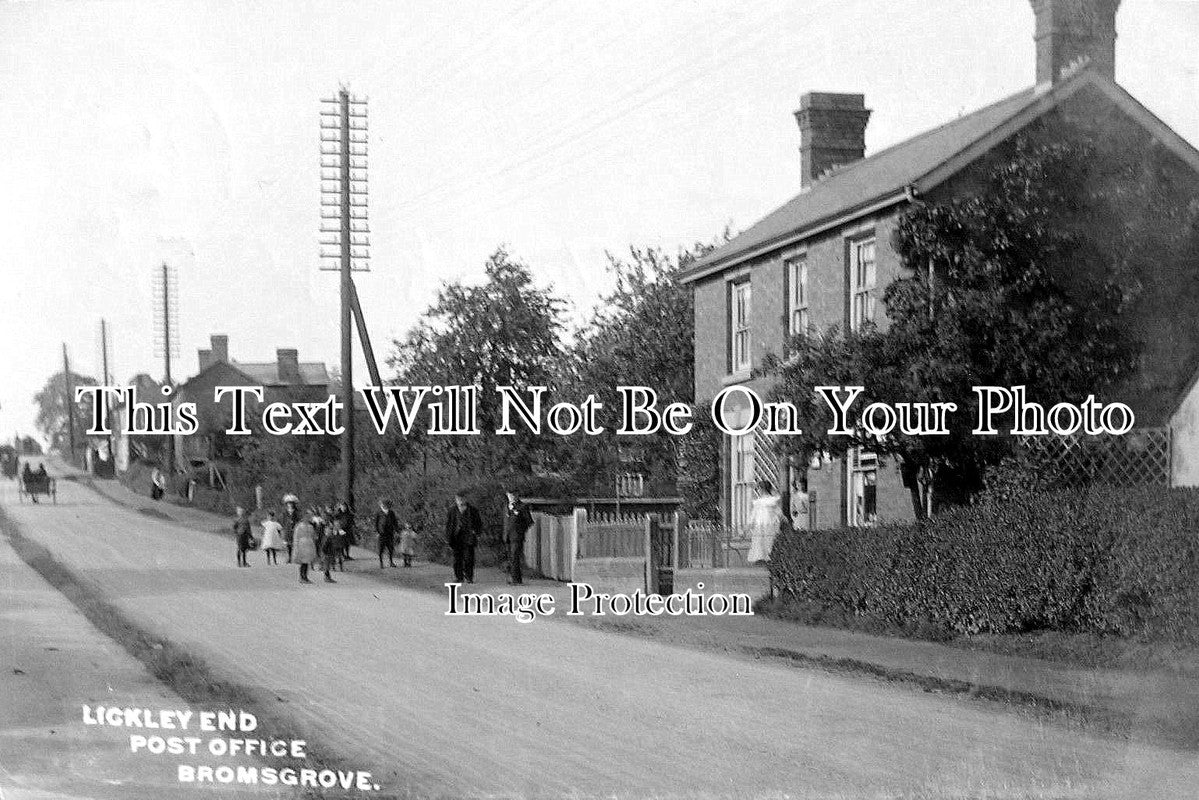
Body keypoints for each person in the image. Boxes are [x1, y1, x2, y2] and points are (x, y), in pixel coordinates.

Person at [445, 492, 481, 584]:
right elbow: (449, 525)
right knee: (457, 558)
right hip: (456, 537)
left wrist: (476, 532)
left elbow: (479, 523)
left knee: (469, 558)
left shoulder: (473, 510)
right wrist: (448, 537)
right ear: (456, 500)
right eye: (458, 499)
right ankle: (459, 577)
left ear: (466, 499)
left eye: (462, 499)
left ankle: (469, 577)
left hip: (468, 537)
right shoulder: (452, 510)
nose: (460, 501)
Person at [746, 480, 784, 564]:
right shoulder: (758, 502)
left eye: (759, 488)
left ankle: (771, 557)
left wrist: (782, 519)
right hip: (760, 524)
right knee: (760, 542)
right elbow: (754, 514)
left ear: (763, 489)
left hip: (770, 524)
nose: (758, 491)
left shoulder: (772, 500)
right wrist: (749, 525)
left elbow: (778, 512)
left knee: (770, 541)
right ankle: (761, 558)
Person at [503, 491, 534, 585]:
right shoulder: (506, 506)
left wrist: (520, 530)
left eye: (513, 495)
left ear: (517, 495)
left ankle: (515, 579)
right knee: (510, 557)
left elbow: (529, 521)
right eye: (509, 495)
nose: (511, 497)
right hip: (507, 536)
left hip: (517, 536)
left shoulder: (522, 506)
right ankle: (516, 578)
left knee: (514, 557)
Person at [292, 514, 319, 583]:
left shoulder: (310, 527)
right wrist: (296, 546)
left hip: (309, 545)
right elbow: (296, 537)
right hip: (302, 545)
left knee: (307, 562)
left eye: (308, 518)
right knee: (303, 562)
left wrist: (314, 542)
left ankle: (305, 576)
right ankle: (302, 576)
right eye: (305, 518)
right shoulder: (299, 526)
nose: (307, 519)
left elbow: (313, 536)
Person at [374, 499, 399, 569]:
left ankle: (391, 562)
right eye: (382, 505)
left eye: (384, 505)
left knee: (391, 548)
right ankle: (381, 563)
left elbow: (395, 522)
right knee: (381, 549)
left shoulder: (391, 513)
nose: (383, 506)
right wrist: (376, 532)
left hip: (390, 533)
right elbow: (376, 523)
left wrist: (397, 531)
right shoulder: (379, 513)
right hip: (381, 533)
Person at [321, 517, 344, 582]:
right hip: (327, 553)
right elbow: (324, 546)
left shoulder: (330, 536)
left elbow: (343, 535)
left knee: (328, 565)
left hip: (333, 549)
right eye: (329, 531)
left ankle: (328, 576)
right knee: (327, 565)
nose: (330, 532)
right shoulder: (327, 538)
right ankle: (327, 577)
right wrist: (325, 552)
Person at [281, 495, 301, 563]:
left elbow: (298, 520)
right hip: (287, 529)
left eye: (291, 503)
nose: (290, 504)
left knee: (294, 543)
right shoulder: (285, 512)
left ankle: (294, 557)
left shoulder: (297, 512)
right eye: (288, 503)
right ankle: (289, 557)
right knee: (288, 544)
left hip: (295, 528)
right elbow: (283, 520)